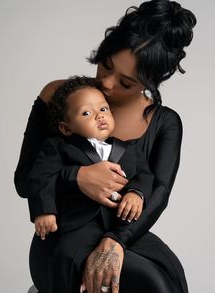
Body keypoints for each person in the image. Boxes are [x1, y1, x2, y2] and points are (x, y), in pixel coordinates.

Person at [14, 0, 196, 293]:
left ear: (150, 82)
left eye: (125, 82)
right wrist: (77, 177)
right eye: (106, 65)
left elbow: (157, 195)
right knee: (152, 284)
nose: (107, 84)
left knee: (166, 280)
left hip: (126, 236)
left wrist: (116, 241)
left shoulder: (165, 123)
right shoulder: (59, 97)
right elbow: (25, 182)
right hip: (64, 238)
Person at [28, 76, 154, 240]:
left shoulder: (129, 149)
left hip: (120, 227)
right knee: (69, 255)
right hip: (77, 227)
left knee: (167, 262)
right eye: (86, 113)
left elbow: (144, 175)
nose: (99, 116)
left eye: (103, 109)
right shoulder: (58, 147)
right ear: (65, 128)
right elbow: (42, 177)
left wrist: (136, 193)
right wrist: (45, 212)